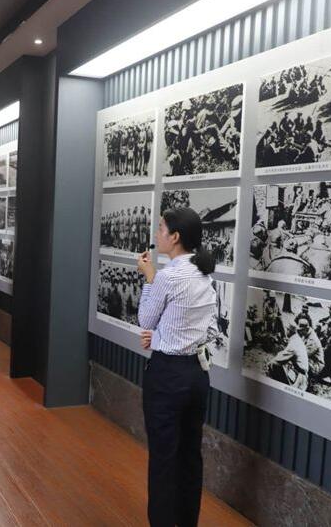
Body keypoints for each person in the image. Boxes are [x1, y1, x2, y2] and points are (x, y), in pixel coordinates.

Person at [135, 206, 217, 527]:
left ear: (175, 237)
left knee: (163, 459)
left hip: (167, 377)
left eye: (161, 228)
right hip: (197, 376)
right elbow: (207, 329)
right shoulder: (204, 274)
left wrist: (149, 276)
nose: (157, 234)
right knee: (189, 457)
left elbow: (146, 319)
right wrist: (159, 337)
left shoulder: (167, 276)